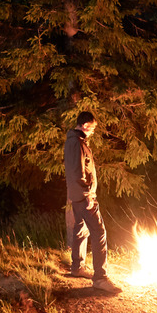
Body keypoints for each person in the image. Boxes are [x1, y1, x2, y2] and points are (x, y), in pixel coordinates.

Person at [65, 110, 121, 294]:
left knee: (81, 229)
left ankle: (77, 267)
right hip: (84, 197)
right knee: (99, 232)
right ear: (85, 126)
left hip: (78, 196)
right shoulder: (76, 143)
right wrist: (87, 195)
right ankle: (100, 278)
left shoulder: (76, 141)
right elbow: (76, 172)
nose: (93, 132)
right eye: (92, 129)